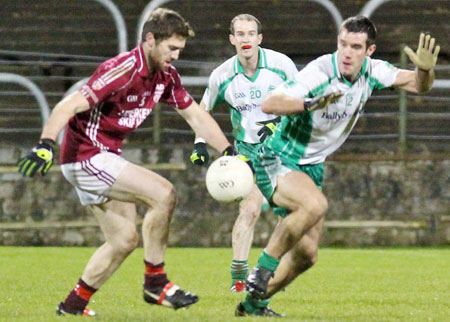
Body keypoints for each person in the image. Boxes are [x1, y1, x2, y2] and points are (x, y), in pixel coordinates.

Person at [17, 8, 234, 316]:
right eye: (171, 48)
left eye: (180, 50)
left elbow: (196, 116)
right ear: (150, 39)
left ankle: (72, 306)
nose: (175, 55)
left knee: (123, 240)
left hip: (104, 157)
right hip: (86, 156)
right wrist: (45, 144)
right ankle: (156, 283)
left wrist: (228, 150)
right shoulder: (122, 70)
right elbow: (68, 105)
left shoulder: (166, 76)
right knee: (164, 193)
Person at [235, 16, 440, 317]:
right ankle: (262, 270)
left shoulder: (373, 72)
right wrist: (309, 103)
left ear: (369, 51)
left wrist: (425, 69)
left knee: (307, 255)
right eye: (343, 44)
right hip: (277, 156)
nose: (346, 52)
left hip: (312, 167)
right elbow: (270, 103)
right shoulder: (320, 71)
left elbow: (419, 86)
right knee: (315, 205)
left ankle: (252, 305)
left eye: (355, 47)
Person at [189, 14, 298, 293]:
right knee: (248, 210)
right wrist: (199, 143)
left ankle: (273, 274)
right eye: (240, 34)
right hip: (247, 154)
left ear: (259, 39)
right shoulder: (222, 75)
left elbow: (302, 100)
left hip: (282, 151)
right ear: (232, 40)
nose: (246, 39)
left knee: (287, 213)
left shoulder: (281, 65)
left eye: (251, 34)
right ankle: (239, 279)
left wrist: (278, 122)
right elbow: (203, 109)